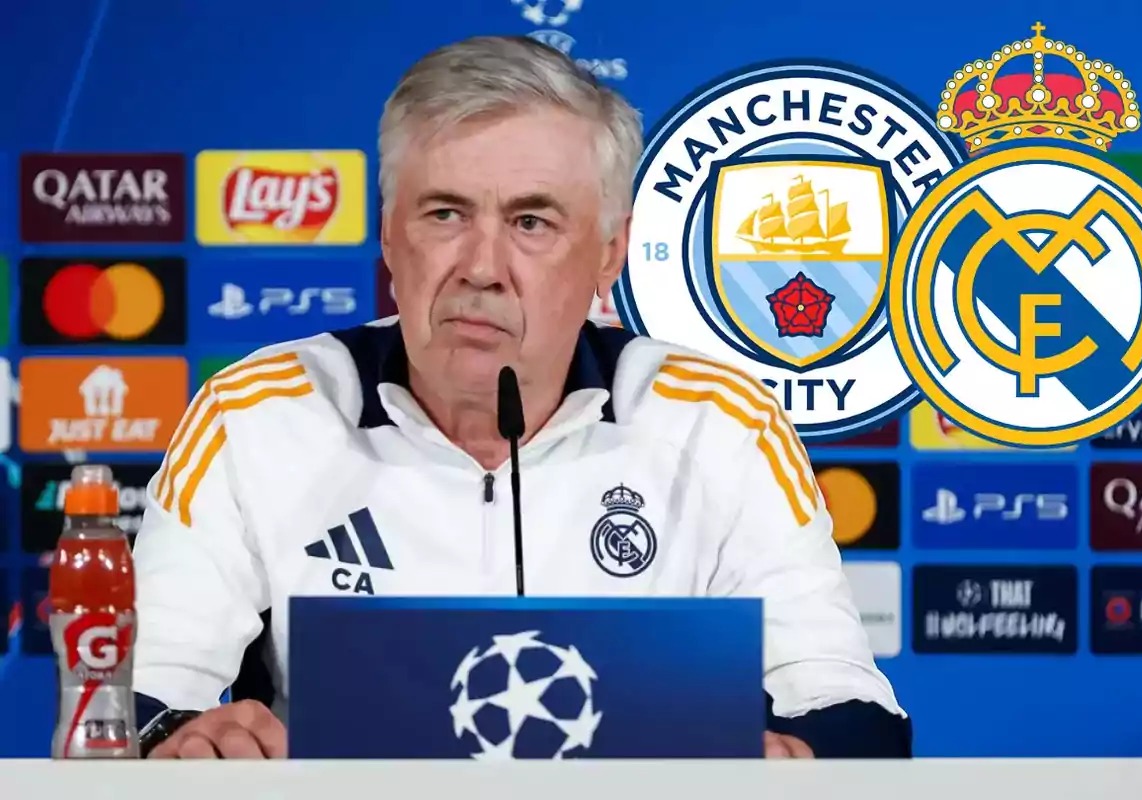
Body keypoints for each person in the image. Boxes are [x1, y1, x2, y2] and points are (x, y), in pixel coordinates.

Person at [131, 34, 910, 760]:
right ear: (388, 236)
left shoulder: (717, 422)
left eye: (532, 221)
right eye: (445, 214)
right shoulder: (259, 414)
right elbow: (137, 697)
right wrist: (185, 740)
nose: (482, 267)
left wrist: (793, 757)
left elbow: (848, 707)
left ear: (610, 253)